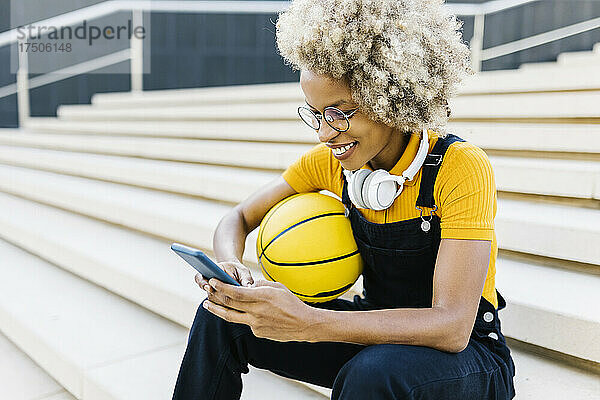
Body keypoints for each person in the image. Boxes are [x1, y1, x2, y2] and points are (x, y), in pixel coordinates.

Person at [172, 0, 516, 399]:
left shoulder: (460, 167)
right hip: (377, 333)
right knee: (224, 319)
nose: (324, 133)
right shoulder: (331, 163)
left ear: (392, 94)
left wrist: (310, 322)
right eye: (316, 114)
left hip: (468, 356)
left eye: (340, 112)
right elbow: (239, 217)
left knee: (373, 372)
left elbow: (451, 327)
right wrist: (231, 267)